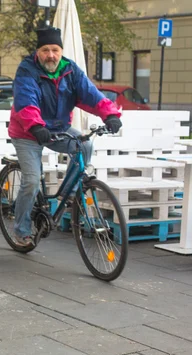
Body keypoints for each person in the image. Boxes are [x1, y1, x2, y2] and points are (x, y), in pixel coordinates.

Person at [8, 27, 122, 247]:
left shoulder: (70, 70)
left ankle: (67, 194)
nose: (50, 55)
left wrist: (110, 115)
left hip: (59, 127)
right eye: (45, 50)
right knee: (31, 181)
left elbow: (91, 94)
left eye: (55, 50)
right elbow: (26, 101)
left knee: (85, 145)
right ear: (38, 51)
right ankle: (21, 230)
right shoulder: (27, 70)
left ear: (61, 51)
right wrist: (36, 126)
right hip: (27, 132)